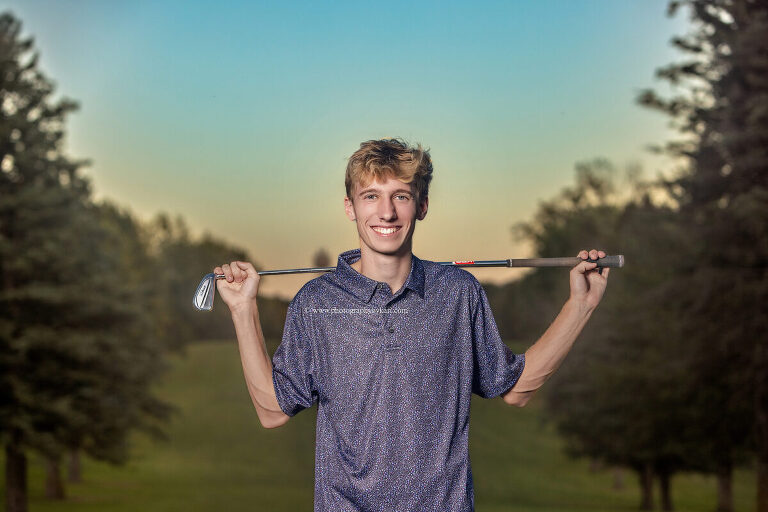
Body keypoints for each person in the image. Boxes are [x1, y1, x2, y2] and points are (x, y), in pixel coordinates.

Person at [214, 138, 610, 512]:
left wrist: (580, 305)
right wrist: (243, 310)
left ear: (421, 206)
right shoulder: (317, 304)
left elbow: (515, 389)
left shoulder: (458, 294)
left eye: (400, 196)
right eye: (371, 196)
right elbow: (272, 411)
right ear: (350, 207)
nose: (386, 212)